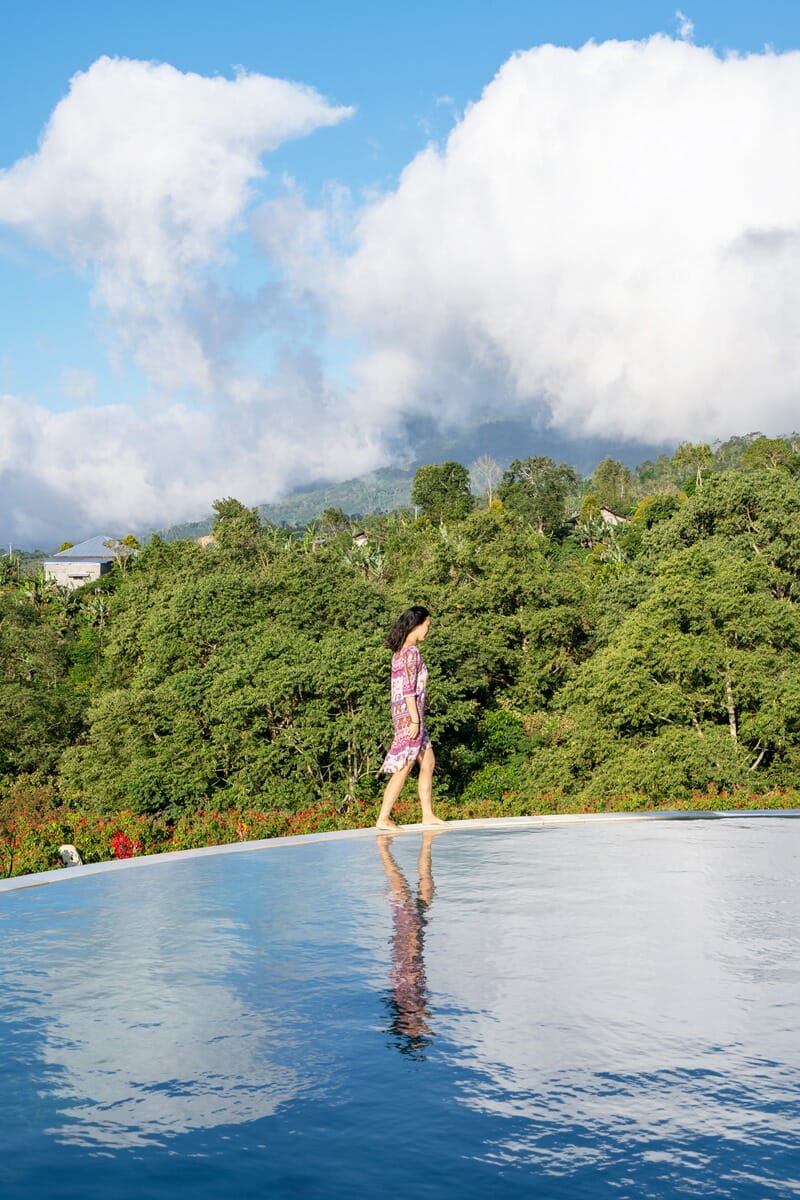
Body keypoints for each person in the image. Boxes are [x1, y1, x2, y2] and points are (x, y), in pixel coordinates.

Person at [376, 606, 446, 830]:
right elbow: (408, 689)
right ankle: (384, 817)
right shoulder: (411, 653)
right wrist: (415, 720)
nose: (428, 631)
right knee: (404, 766)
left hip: (407, 714)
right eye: (427, 626)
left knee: (428, 761)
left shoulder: (400, 652)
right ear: (416, 625)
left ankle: (427, 813)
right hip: (410, 716)